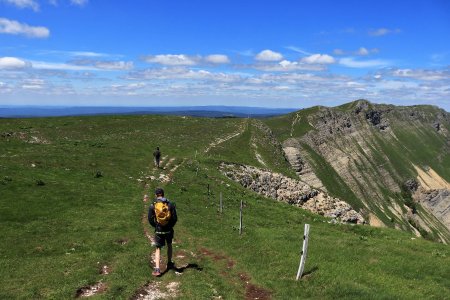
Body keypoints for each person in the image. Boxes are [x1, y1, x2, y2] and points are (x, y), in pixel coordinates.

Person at [148, 187, 177, 276]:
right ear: (163, 194)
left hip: (158, 230)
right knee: (169, 245)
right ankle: (169, 263)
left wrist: (156, 226)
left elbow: (150, 219)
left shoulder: (153, 205)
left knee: (158, 248)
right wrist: (170, 226)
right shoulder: (170, 204)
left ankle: (157, 269)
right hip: (168, 230)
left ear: (156, 195)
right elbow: (175, 218)